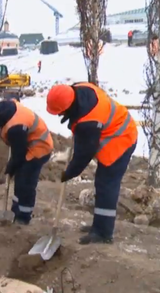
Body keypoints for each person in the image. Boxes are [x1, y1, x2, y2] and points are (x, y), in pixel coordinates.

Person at [46, 83, 137, 244]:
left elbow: (84, 154)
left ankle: (103, 233)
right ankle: (99, 224)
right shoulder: (80, 88)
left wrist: (70, 172)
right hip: (119, 126)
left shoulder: (88, 122)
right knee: (102, 183)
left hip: (121, 139)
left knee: (106, 183)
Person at [0, 99, 53, 225]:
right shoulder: (6, 109)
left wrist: (11, 167)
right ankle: (16, 211)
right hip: (27, 144)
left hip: (40, 147)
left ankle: (23, 217)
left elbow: (19, 154)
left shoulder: (15, 127)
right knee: (19, 179)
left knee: (26, 182)